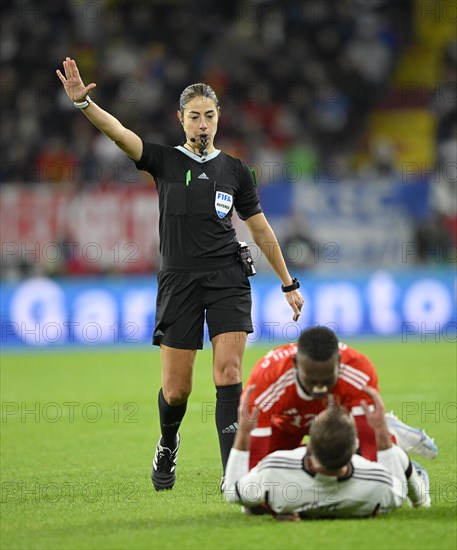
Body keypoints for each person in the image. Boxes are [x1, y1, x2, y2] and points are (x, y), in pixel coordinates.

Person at [56, 57, 304, 491]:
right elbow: (120, 134)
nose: (203, 123)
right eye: (195, 116)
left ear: (218, 118)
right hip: (179, 281)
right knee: (177, 390)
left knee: (228, 373)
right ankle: (168, 442)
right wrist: (84, 105)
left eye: (210, 115)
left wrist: (289, 283)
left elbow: (260, 228)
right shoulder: (165, 160)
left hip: (228, 276)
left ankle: (234, 476)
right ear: (181, 119)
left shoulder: (235, 170)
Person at [243, 326, 437, 469]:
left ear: (339, 363)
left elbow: (370, 451)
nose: (319, 387)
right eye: (311, 380)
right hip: (286, 424)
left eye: (327, 379)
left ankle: (393, 440)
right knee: (270, 469)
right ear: (295, 364)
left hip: (337, 421)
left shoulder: (358, 370)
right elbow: (253, 468)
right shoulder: (266, 380)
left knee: (357, 459)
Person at [224, 385, 431, 519]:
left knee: (251, 507)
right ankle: (422, 501)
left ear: (309, 446)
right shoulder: (382, 486)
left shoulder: (275, 468)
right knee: (397, 456)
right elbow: (397, 466)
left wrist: (243, 433)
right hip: (366, 469)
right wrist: (382, 437)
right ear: (354, 450)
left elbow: (235, 493)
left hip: (297, 470)